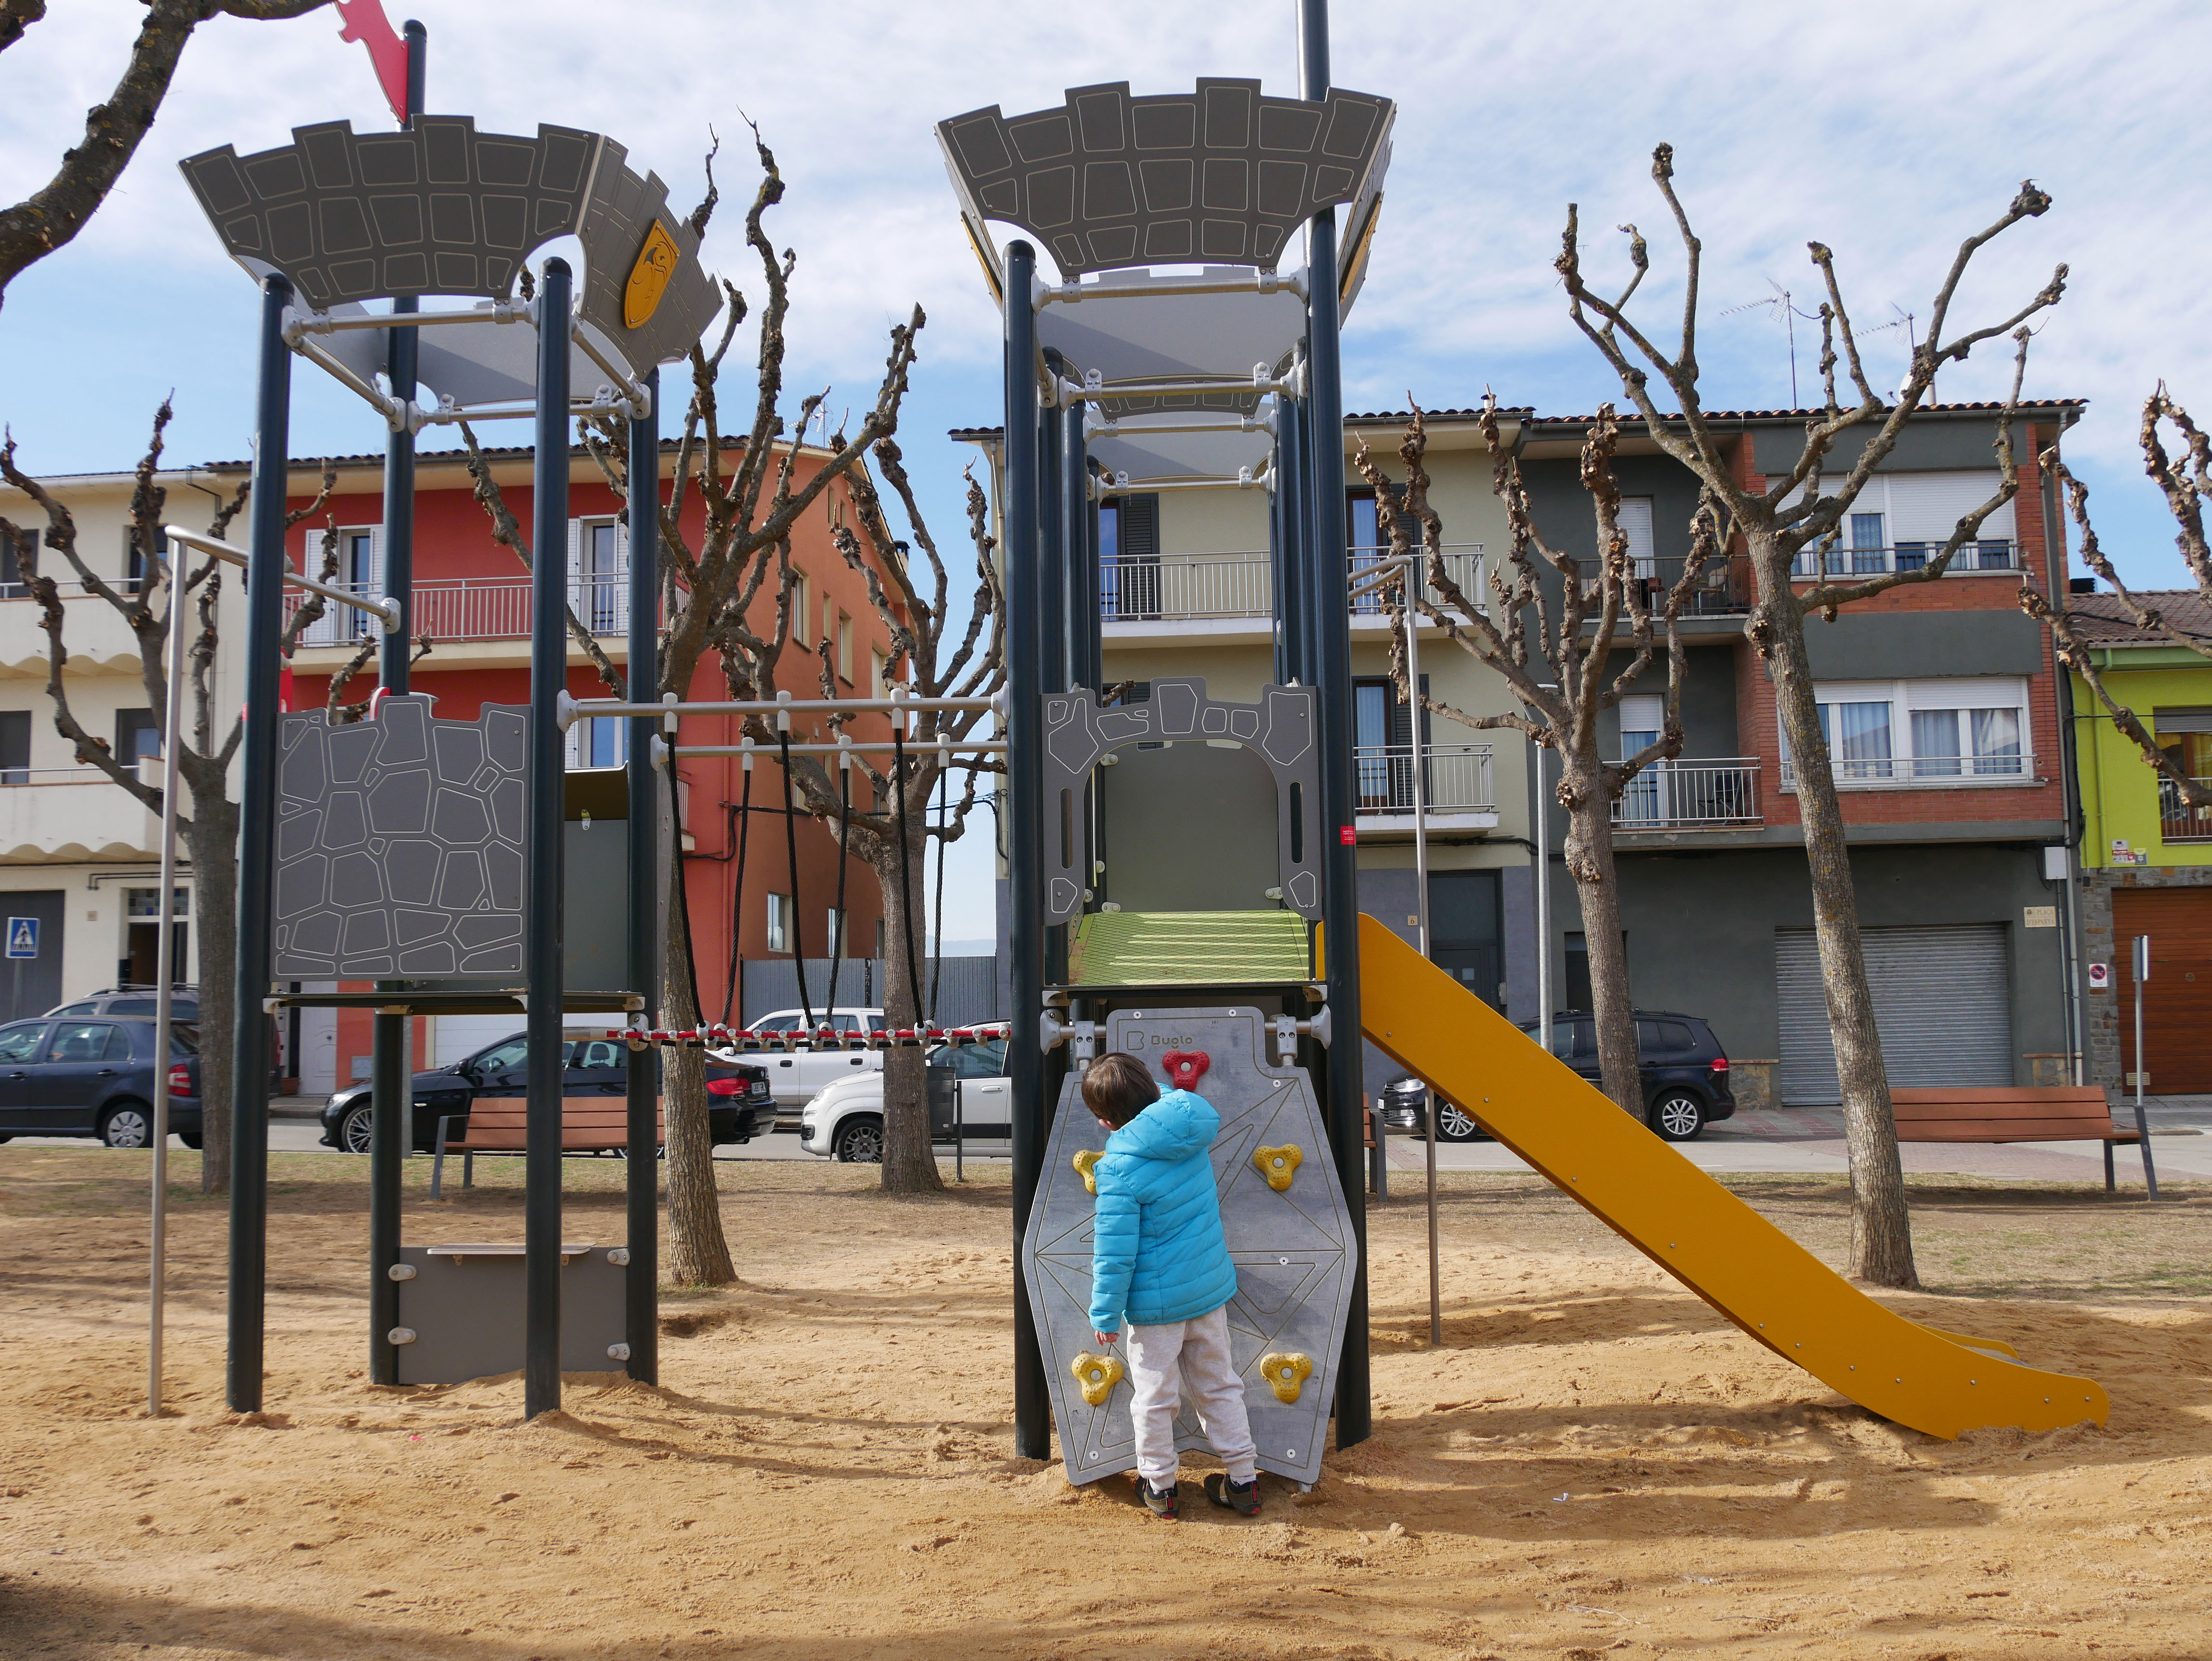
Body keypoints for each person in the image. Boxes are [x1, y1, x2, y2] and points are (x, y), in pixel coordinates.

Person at [1083, 1049, 1260, 1520]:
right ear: (1151, 1091)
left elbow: (1114, 1253)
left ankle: (1160, 1486)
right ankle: (1243, 1480)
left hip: (1156, 1311)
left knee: (1156, 1395)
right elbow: (1164, 1108)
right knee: (1220, 1385)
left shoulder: (1118, 1170)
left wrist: (1104, 1313)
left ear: (1104, 1121)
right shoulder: (1189, 1135)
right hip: (1206, 1296)